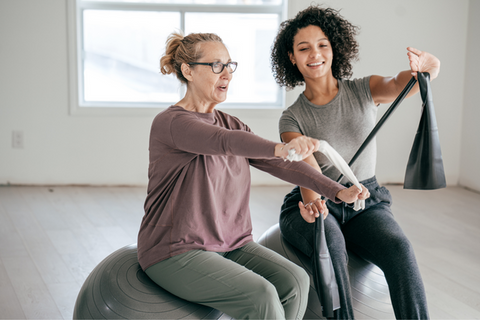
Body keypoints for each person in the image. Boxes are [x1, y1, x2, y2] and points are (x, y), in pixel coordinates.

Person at [137, 31, 369, 320]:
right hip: (176, 251)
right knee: (261, 295)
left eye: (229, 65)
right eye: (215, 66)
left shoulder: (231, 123)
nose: (226, 74)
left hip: (233, 244)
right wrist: (283, 147)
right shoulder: (171, 123)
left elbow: (283, 164)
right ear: (188, 71)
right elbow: (224, 142)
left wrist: (337, 191)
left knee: (296, 282)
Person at [271, 5, 440, 320]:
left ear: (334, 48)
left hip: (367, 201)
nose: (315, 54)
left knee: (399, 249)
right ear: (292, 57)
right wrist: (315, 203)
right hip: (317, 200)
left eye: (322, 45)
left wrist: (428, 70)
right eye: (303, 48)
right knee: (332, 248)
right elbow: (306, 168)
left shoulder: (365, 89)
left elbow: (403, 83)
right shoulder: (292, 117)